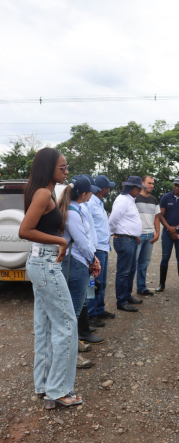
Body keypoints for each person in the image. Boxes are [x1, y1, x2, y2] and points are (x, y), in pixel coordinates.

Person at [19, 147, 82, 409]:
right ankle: (59, 390)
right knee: (67, 325)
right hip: (45, 262)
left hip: (39, 262)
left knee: (45, 327)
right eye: (63, 167)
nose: (67, 171)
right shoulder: (43, 193)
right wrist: (60, 241)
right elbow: (25, 230)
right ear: (49, 168)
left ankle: (44, 385)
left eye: (67, 167)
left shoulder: (44, 192)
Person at [58, 175, 102, 367]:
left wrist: (93, 259)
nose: (91, 193)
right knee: (72, 313)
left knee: (72, 311)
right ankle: (70, 357)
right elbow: (82, 243)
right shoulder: (73, 214)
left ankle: (73, 345)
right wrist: (93, 261)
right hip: (76, 264)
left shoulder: (73, 209)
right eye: (89, 191)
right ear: (83, 194)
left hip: (78, 262)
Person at [109, 176, 143, 312]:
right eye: (139, 188)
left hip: (131, 239)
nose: (140, 191)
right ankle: (121, 301)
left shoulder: (130, 200)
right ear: (132, 188)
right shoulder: (122, 200)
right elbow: (112, 220)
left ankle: (127, 296)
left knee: (131, 270)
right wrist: (115, 233)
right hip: (124, 239)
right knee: (124, 272)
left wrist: (134, 234)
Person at [156, 176, 179, 293]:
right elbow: (160, 215)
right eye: (175, 185)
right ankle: (161, 284)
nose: (177, 187)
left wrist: (176, 228)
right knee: (165, 257)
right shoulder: (166, 197)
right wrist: (169, 228)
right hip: (167, 232)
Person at [88, 175, 116, 326]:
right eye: (107, 188)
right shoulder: (91, 204)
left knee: (102, 282)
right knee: (94, 283)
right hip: (96, 249)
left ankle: (99, 309)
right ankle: (91, 314)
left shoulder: (99, 203)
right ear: (101, 189)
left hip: (103, 247)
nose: (109, 190)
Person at [135, 175, 160, 296]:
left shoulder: (154, 200)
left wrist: (157, 232)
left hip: (150, 235)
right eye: (149, 183)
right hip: (138, 236)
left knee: (144, 263)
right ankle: (126, 293)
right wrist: (134, 234)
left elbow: (156, 217)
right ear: (142, 183)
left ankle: (141, 287)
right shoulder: (134, 198)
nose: (151, 186)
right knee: (132, 263)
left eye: (153, 184)